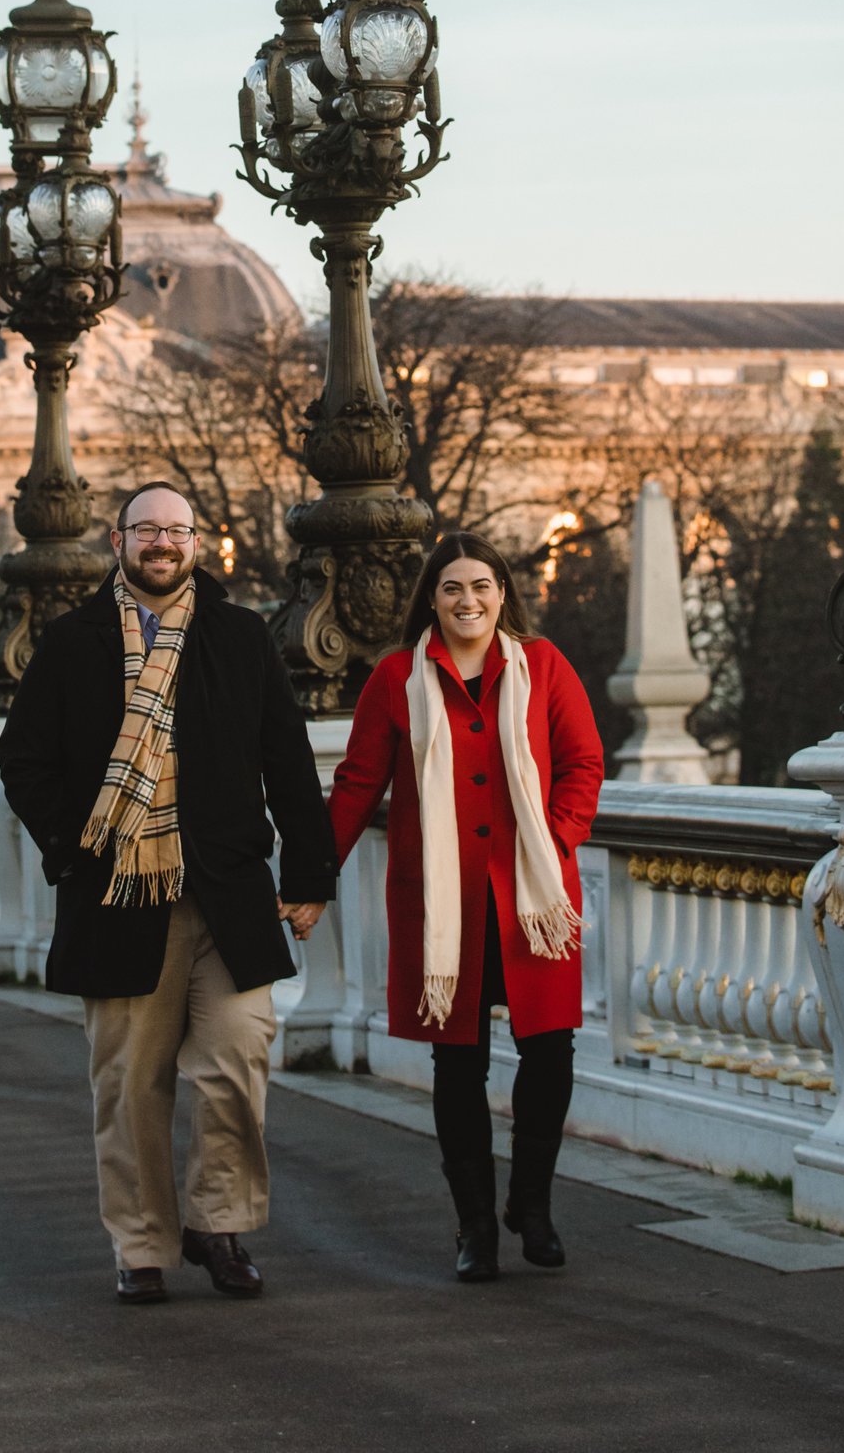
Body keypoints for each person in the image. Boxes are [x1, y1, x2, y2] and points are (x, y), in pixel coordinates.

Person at [0, 483, 337, 1307]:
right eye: (146, 529)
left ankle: (217, 1226)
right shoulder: (73, 643)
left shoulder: (240, 637)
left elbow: (287, 760)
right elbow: (24, 759)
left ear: (197, 544)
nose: (161, 543)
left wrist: (309, 874)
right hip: (116, 897)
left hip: (228, 894)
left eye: (176, 531)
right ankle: (142, 1244)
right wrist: (73, 848)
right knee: (130, 1084)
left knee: (237, 1061)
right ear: (118, 542)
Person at [328, 531, 605, 1283]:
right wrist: (311, 876)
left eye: (481, 586)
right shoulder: (397, 679)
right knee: (459, 1063)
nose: (468, 600)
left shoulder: (542, 666)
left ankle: (532, 1206)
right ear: (433, 599)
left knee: (550, 1051)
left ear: (503, 592)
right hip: (442, 904)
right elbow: (358, 782)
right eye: (452, 588)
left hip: (532, 898)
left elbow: (583, 761)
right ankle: (476, 1227)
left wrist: (558, 837)